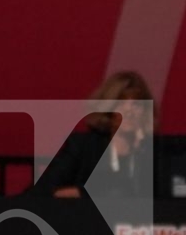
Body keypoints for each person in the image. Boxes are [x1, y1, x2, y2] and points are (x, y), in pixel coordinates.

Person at [35, 70, 154, 200]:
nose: (129, 112)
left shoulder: (150, 151)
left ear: (145, 110)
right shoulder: (82, 147)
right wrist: (84, 193)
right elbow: (42, 192)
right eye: (120, 104)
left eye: (136, 105)